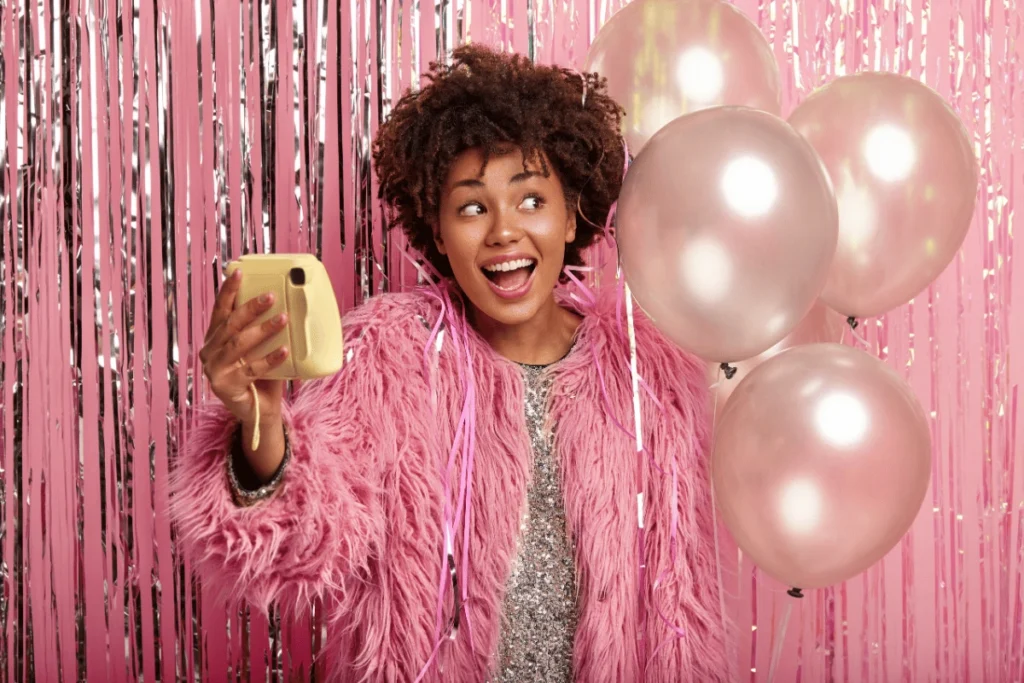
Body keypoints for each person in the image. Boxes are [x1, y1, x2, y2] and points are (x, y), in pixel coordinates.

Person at [170, 45, 726, 682]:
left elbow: (681, 605)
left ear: (573, 215)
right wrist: (261, 423)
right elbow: (306, 549)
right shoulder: (388, 357)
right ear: (437, 231)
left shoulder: (647, 376)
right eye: (471, 207)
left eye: (531, 200)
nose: (503, 231)